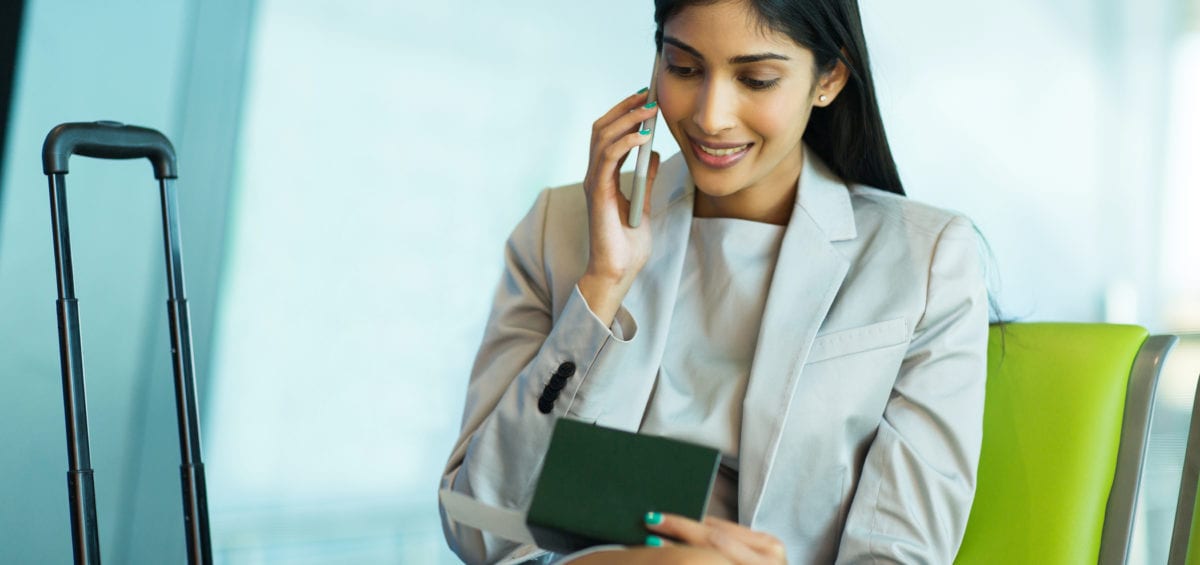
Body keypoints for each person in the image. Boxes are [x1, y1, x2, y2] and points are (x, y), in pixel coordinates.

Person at [440, 0, 989, 563]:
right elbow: (480, 529)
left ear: (829, 78)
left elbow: (897, 551)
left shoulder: (926, 260)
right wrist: (602, 287)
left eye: (756, 78)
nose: (711, 116)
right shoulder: (559, 229)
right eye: (684, 68)